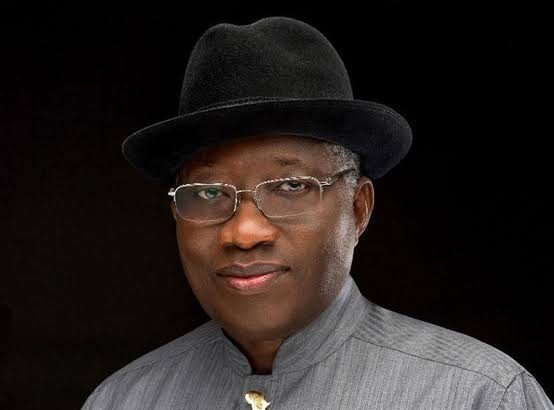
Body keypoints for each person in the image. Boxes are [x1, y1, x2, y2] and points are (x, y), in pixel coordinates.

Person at [81, 16, 553, 409]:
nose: (244, 232)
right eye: (207, 193)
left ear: (359, 208)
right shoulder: (123, 400)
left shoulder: (479, 396)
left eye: (291, 186)